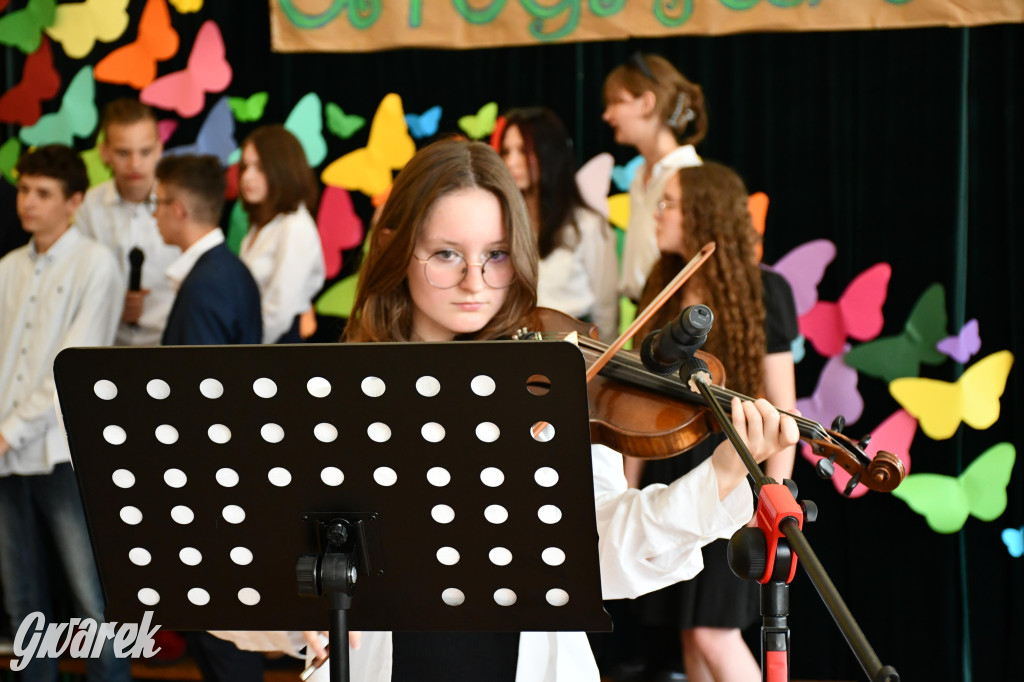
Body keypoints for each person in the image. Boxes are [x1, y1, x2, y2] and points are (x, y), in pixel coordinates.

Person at [209, 139, 796, 681]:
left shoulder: (550, 385)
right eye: (446, 254)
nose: (476, 282)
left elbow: (603, 560)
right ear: (394, 248)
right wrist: (292, 614)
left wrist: (720, 476)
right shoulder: (332, 396)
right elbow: (230, 582)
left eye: (496, 254)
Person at [632, 162, 799, 682]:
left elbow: (784, 409)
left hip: (735, 473)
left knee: (713, 632)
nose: (658, 214)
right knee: (689, 631)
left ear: (703, 214)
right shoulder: (662, 284)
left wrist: (772, 497)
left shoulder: (765, 291)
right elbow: (635, 401)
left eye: (669, 204)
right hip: (669, 468)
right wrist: (625, 492)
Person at [0, 145, 129, 682]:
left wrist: (9, 432)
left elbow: (70, 366)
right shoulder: (7, 267)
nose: (28, 202)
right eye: (23, 190)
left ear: (74, 201)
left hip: (60, 451)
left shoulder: (95, 263)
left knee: (90, 593)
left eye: (43, 193)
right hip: (7, 455)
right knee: (21, 595)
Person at [152, 153, 263, 677]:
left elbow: (199, 404)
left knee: (219, 632)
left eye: (157, 205)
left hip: (211, 490)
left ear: (178, 209)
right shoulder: (227, 271)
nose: (154, 216)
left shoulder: (207, 283)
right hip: (226, 483)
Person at [496, 107, 618, 340]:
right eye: (506, 151)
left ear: (548, 153)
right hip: (513, 343)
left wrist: (605, 358)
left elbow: (606, 308)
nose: (511, 162)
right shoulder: (500, 224)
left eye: (523, 150)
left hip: (575, 347)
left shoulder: (586, 224)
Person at [602, 53, 707, 303]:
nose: (607, 115)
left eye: (616, 102)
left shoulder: (687, 174)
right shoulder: (640, 174)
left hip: (672, 308)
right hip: (642, 307)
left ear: (647, 103)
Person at [77, 98, 181, 346]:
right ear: (105, 152)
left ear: (159, 149)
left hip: (171, 343)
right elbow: (79, 277)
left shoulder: (180, 203)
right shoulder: (89, 206)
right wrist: (114, 303)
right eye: (123, 153)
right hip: (106, 343)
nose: (135, 164)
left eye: (145, 152)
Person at [238, 125, 325, 344]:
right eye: (245, 166)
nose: (247, 176)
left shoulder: (295, 227)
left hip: (275, 346)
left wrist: (244, 350)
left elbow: (279, 310)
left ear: (283, 169)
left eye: (259, 167)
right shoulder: (261, 224)